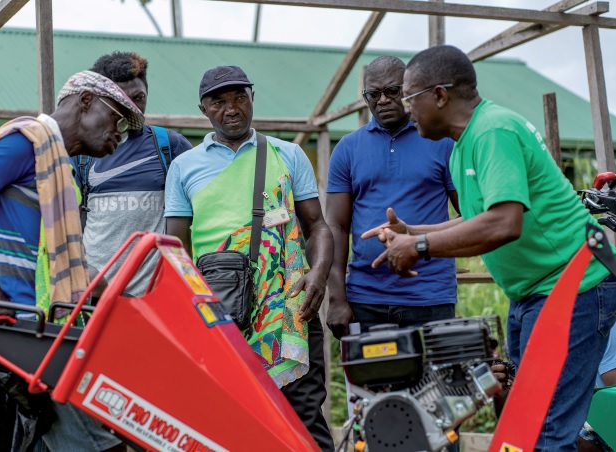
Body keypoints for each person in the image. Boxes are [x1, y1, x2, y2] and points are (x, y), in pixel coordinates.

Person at [362, 45, 616, 451]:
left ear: (440, 95)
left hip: (571, 289)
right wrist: (413, 231)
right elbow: (478, 216)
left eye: (410, 98)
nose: (406, 110)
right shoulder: (467, 142)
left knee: (544, 431)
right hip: (535, 293)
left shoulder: (494, 131)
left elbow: (504, 224)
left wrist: (420, 246)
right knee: (523, 420)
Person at [0, 70, 145, 452]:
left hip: (46, 330)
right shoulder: (26, 143)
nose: (120, 133)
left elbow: (59, 261)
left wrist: (127, 296)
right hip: (17, 333)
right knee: (100, 444)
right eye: (116, 118)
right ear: (85, 101)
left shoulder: (60, 172)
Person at [165, 65, 335, 451]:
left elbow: (318, 227)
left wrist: (319, 276)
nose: (232, 109)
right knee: (229, 420)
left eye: (240, 97)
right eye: (219, 102)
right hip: (221, 315)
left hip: (290, 310)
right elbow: (176, 249)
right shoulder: (184, 167)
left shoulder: (287, 155)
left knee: (304, 417)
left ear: (253, 98)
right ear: (203, 109)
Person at [326, 55, 458, 340]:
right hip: (365, 298)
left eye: (392, 91)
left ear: (408, 89)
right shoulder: (347, 149)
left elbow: (471, 214)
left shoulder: (442, 142)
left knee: (439, 384)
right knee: (371, 385)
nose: (383, 100)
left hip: (430, 297)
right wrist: (337, 298)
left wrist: (423, 240)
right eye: (373, 94)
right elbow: (336, 227)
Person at [77, 51, 192, 297]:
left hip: (154, 298)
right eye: (120, 98)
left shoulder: (170, 145)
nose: (132, 107)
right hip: (95, 296)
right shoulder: (83, 153)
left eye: (139, 97)